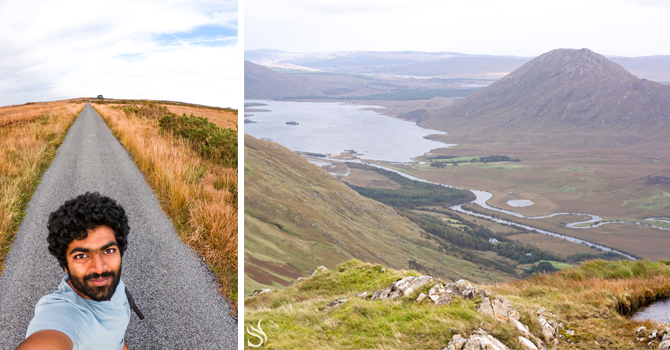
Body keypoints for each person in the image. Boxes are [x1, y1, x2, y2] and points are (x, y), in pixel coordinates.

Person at [17, 192, 131, 350]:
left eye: (108, 251)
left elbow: (115, 334)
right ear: (65, 265)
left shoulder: (112, 283)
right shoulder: (63, 315)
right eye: (82, 255)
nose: (99, 269)